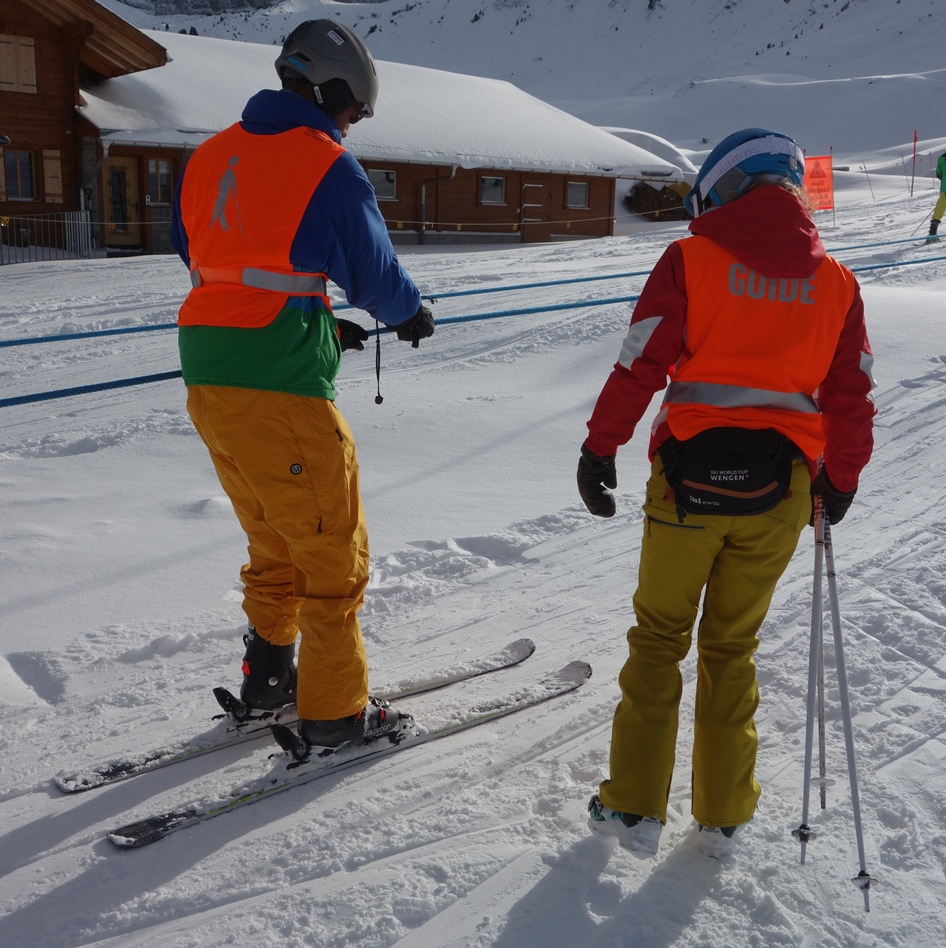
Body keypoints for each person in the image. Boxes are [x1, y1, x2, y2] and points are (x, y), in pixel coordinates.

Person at [577, 128, 875, 858]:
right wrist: (840, 480)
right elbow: (853, 397)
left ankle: (634, 809)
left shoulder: (690, 258)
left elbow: (640, 362)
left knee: (658, 641)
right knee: (731, 647)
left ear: (724, 190)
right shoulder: (837, 281)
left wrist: (600, 446)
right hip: (781, 494)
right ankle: (724, 812)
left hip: (687, 487)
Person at [170, 19, 434, 752]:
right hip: (280, 385)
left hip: (209, 377)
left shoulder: (209, 155)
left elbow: (213, 256)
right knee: (331, 553)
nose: (351, 124)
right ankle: (334, 714)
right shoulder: (324, 162)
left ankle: (269, 681)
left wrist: (313, 319)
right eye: (353, 109)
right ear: (331, 90)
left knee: (275, 541)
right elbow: (376, 277)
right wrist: (411, 316)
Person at [927, 150, 946, 243]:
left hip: (944, 190)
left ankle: (932, 234)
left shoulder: (941, 158)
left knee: (939, 210)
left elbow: (939, 174)